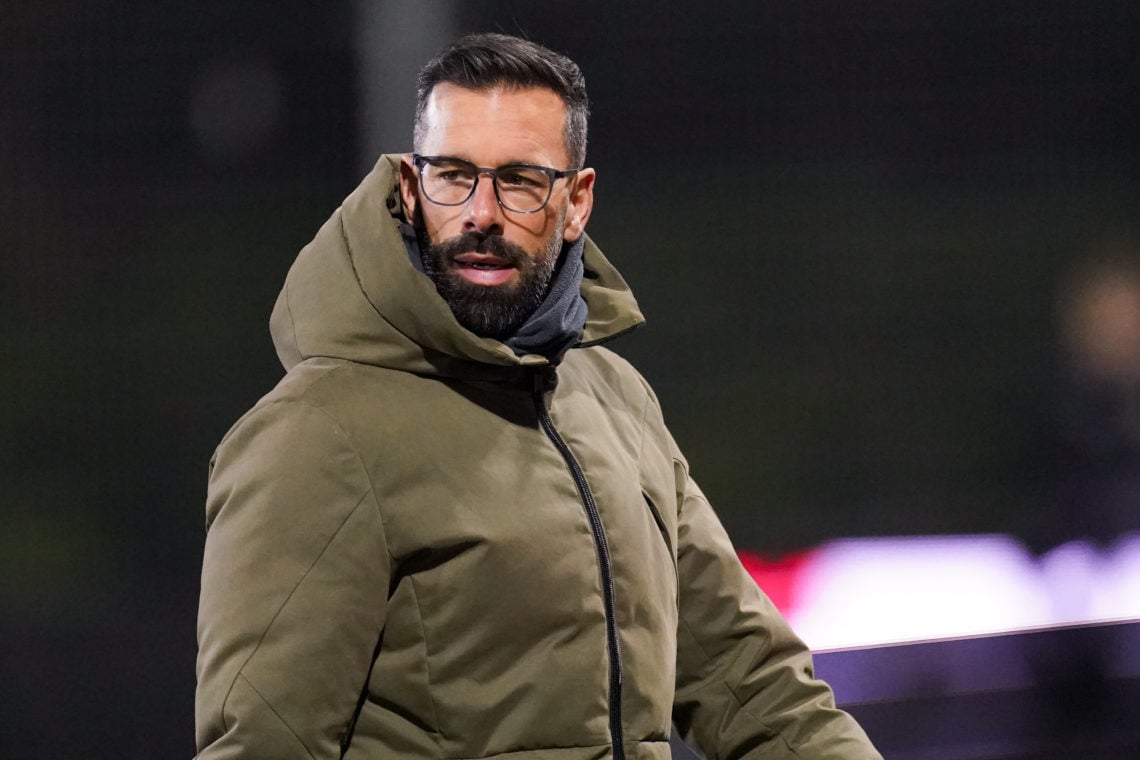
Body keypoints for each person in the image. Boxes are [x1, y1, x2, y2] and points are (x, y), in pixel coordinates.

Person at [194, 33, 881, 760]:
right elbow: (263, 744)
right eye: (452, 175)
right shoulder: (316, 431)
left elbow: (751, 680)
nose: (481, 212)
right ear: (408, 187)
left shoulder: (616, 401)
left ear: (576, 202)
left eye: (519, 179)